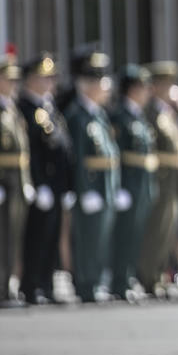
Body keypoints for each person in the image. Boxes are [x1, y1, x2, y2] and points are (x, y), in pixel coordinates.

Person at [65, 50, 121, 303]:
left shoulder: (98, 115)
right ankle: (86, 284)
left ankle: (97, 280)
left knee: (101, 238)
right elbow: (77, 158)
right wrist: (85, 190)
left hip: (105, 187)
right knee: (88, 239)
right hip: (91, 188)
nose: (105, 87)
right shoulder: (77, 116)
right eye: (99, 82)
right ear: (86, 85)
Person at [19, 54, 72, 305]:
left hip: (56, 186)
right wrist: (38, 184)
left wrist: (67, 185)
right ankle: (32, 285)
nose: (49, 82)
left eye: (51, 78)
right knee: (36, 237)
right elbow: (31, 152)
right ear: (29, 79)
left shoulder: (49, 108)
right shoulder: (25, 108)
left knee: (51, 237)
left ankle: (47, 284)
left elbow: (63, 149)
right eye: (43, 77)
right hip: (40, 185)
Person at [108, 65, 158, 300]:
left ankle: (129, 277)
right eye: (143, 87)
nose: (148, 91)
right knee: (124, 235)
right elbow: (116, 154)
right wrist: (119, 188)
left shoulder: (139, 116)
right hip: (128, 184)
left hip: (142, 183)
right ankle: (119, 281)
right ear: (132, 89)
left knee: (138, 235)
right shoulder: (120, 116)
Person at [138, 62, 178, 296]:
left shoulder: (167, 113)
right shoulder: (150, 113)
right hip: (160, 178)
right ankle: (150, 277)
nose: (169, 88)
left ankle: (161, 274)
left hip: (172, 181)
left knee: (168, 230)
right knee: (155, 231)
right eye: (164, 84)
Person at [0, 57, 32, 306]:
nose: (12, 84)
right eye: (8, 79)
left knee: (13, 237)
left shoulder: (12, 108)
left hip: (17, 181)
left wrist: (27, 181)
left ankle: (8, 286)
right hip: (4, 181)